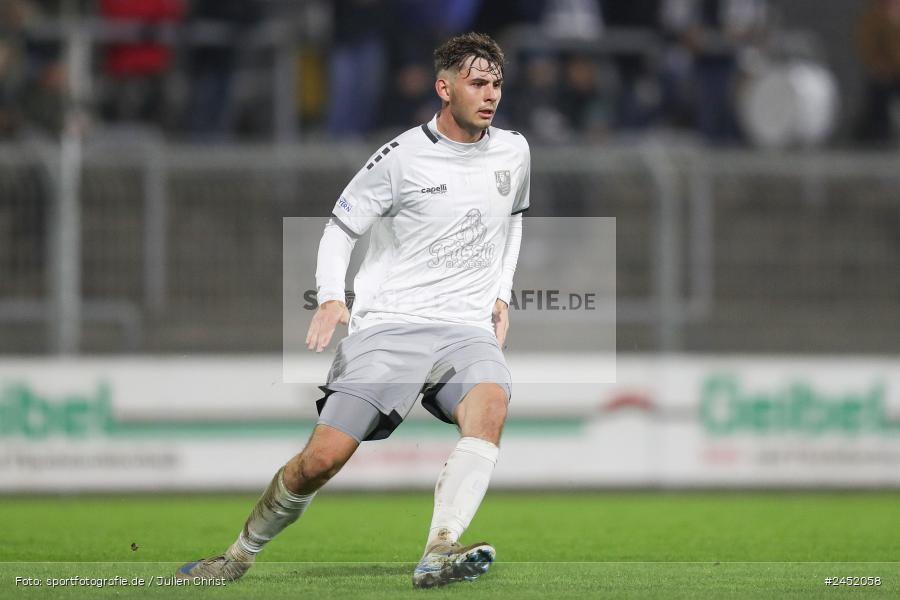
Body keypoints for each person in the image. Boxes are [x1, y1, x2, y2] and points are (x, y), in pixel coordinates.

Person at [176, 32, 530, 589]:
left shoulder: (515, 150)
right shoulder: (399, 158)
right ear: (444, 87)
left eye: (497, 84)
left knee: (490, 410)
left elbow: (513, 222)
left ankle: (438, 550)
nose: (490, 95)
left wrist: (502, 293)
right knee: (321, 460)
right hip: (389, 327)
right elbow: (340, 228)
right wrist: (333, 295)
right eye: (477, 82)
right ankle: (238, 554)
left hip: (465, 328)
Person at [855, 0, 900, 144]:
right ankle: (876, 137)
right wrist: (879, 67)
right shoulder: (874, 19)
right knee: (878, 105)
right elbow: (867, 45)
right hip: (884, 72)